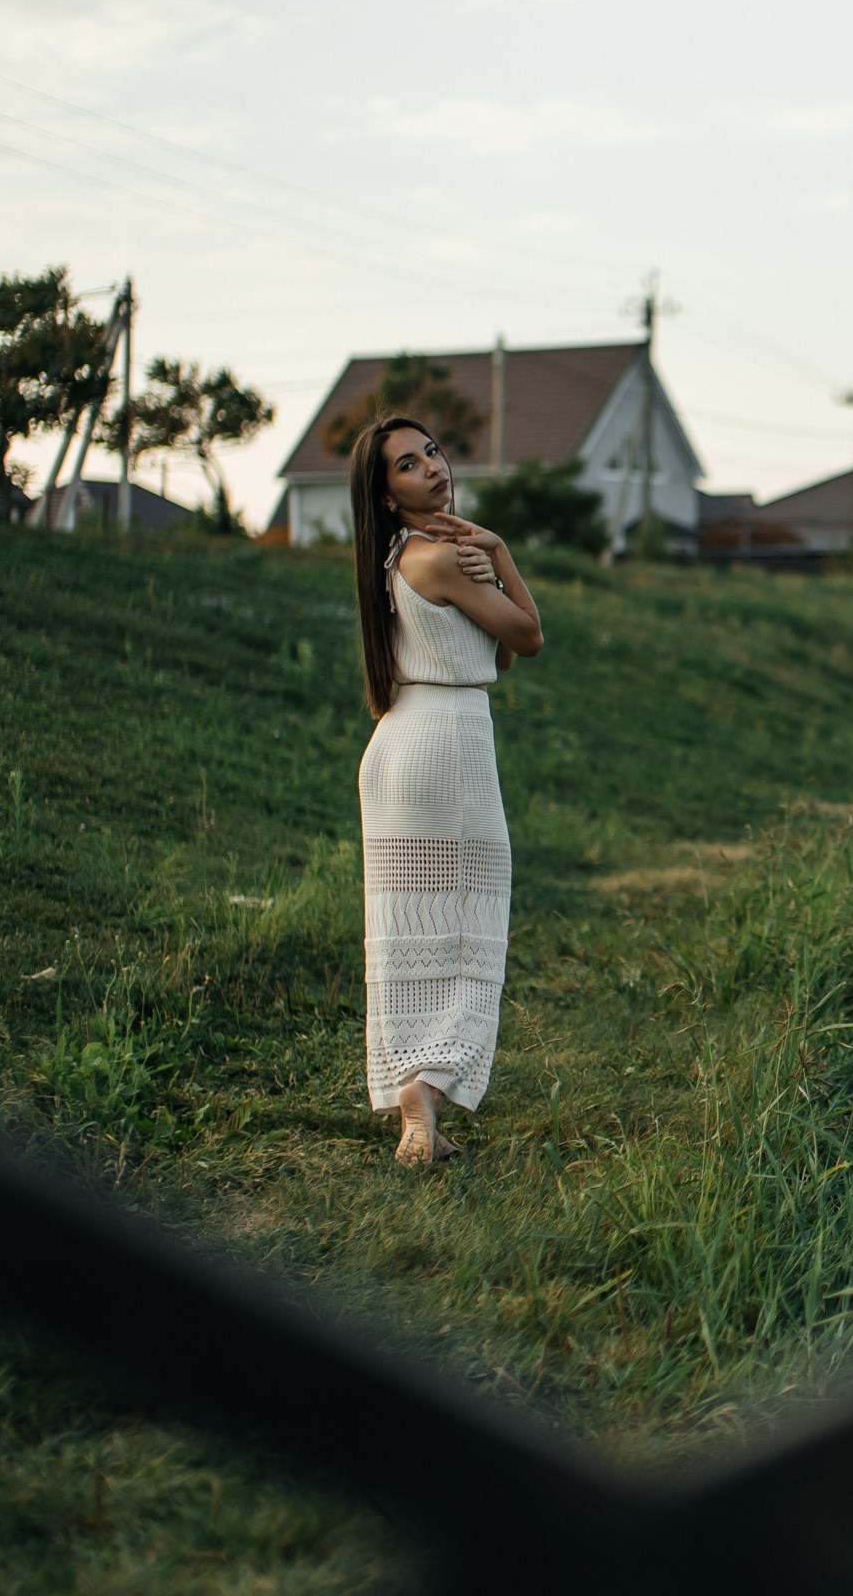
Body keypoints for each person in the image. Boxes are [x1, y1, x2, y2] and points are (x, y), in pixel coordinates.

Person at [348, 415, 543, 1166]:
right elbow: (528, 636)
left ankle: (416, 1093)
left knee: (407, 926)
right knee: (467, 920)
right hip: (446, 745)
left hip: (404, 738)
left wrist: (485, 560)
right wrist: (498, 551)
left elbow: (495, 653)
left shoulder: (407, 556)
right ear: (388, 495)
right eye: (407, 464)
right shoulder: (440, 560)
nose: (431, 466)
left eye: (431, 451)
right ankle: (421, 1093)